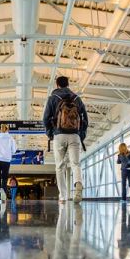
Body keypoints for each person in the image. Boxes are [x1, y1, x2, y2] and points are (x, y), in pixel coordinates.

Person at [43, 76, 89, 204]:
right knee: (75, 164)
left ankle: (63, 196)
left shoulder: (53, 98)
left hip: (59, 135)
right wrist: (81, 135)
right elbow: (85, 119)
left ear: (57, 85)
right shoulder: (77, 98)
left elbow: (45, 119)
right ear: (68, 84)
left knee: (59, 166)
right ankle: (78, 183)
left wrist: (50, 134)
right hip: (74, 135)